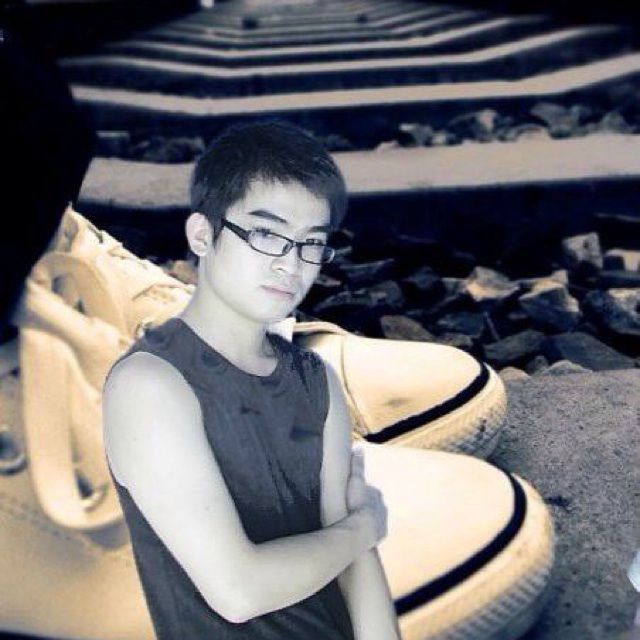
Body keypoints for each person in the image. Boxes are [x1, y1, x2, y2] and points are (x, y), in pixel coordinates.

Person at [102, 120, 401, 639]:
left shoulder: (316, 379)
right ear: (202, 235)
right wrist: (363, 528)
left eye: (311, 243)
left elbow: (357, 569)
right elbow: (238, 591)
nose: (291, 265)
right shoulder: (149, 383)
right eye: (266, 235)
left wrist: (357, 535)